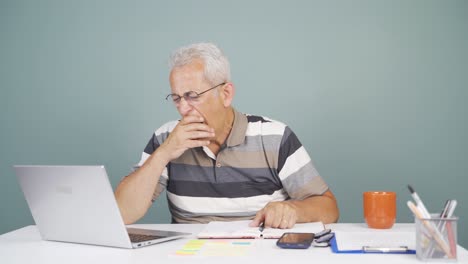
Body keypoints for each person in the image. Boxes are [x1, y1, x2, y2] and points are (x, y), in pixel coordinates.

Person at [115, 42, 339, 229]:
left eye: (192, 96)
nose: (183, 109)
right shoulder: (166, 137)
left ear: (226, 94)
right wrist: (163, 154)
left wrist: (293, 209)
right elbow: (122, 214)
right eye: (176, 98)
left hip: (263, 254)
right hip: (189, 255)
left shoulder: (274, 136)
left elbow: (329, 209)